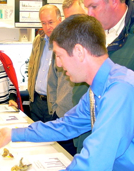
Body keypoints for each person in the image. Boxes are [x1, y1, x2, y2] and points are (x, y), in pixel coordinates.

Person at [0, 14, 134, 171]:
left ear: (79, 52)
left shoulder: (120, 91)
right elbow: (66, 125)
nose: (58, 64)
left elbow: (97, 159)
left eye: (59, 55)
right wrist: (14, 134)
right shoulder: (99, 89)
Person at [73, 0, 134, 153]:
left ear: (114, 2)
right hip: (87, 136)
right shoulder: (92, 31)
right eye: (86, 7)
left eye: (94, 7)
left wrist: (115, 99)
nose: (89, 14)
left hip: (124, 146)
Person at [47, 0, 86, 155]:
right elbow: (53, 79)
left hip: (83, 122)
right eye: (69, 19)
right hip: (62, 116)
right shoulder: (62, 42)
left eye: (77, 17)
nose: (73, 23)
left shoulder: (95, 43)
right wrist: (55, 108)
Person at [28, 4, 61, 122]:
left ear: (60, 20)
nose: (47, 27)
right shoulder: (38, 40)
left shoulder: (65, 42)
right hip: (36, 101)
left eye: (51, 22)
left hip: (53, 103)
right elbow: (31, 68)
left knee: (53, 140)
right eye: (43, 23)